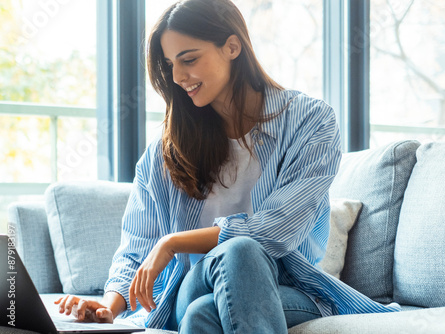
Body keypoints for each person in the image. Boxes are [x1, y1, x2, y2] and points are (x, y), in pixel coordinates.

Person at [55, 0, 401, 332]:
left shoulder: (310, 122)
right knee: (228, 262)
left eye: (188, 59)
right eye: (169, 64)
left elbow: (276, 230)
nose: (177, 76)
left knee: (208, 307)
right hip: (191, 286)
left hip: (285, 287)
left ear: (232, 46)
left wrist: (174, 242)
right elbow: (137, 245)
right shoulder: (164, 153)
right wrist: (108, 307)